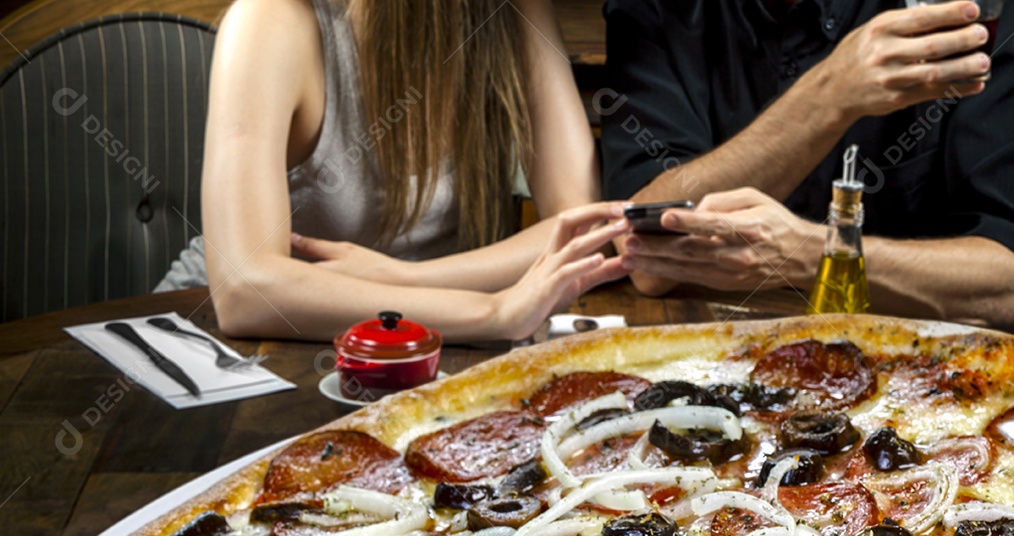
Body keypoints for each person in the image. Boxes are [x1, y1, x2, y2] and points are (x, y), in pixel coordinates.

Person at [160, 0, 628, 342]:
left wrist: (402, 279)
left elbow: (583, 228)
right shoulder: (273, 19)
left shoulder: (513, 12)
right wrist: (491, 311)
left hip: (418, 344)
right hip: (242, 346)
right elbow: (245, 290)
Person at [600, 0, 1014, 328]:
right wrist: (829, 94)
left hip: (926, 376)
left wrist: (812, 254)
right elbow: (644, 253)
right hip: (711, 357)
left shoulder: (971, 15)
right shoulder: (657, 9)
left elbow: (1004, 286)